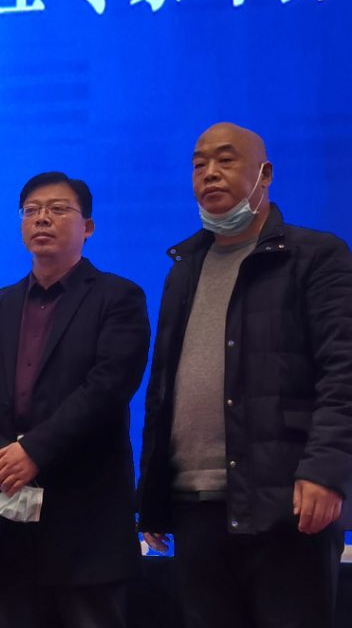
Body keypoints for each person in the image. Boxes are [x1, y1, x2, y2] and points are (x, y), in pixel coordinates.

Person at [137, 122, 352, 628]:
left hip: (286, 504)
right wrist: (153, 498)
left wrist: (324, 471)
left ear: (265, 173)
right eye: (199, 164)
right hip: (195, 504)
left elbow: (343, 372)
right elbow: (163, 390)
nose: (209, 173)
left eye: (226, 160)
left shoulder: (315, 257)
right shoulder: (183, 268)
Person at [0, 172, 150, 628]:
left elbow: (108, 386)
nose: (42, 218)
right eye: (32, 210)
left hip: (86, 514)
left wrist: (34, 452)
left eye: (58, 209)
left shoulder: (118, 297)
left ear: (88, 227)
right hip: (8, 505)